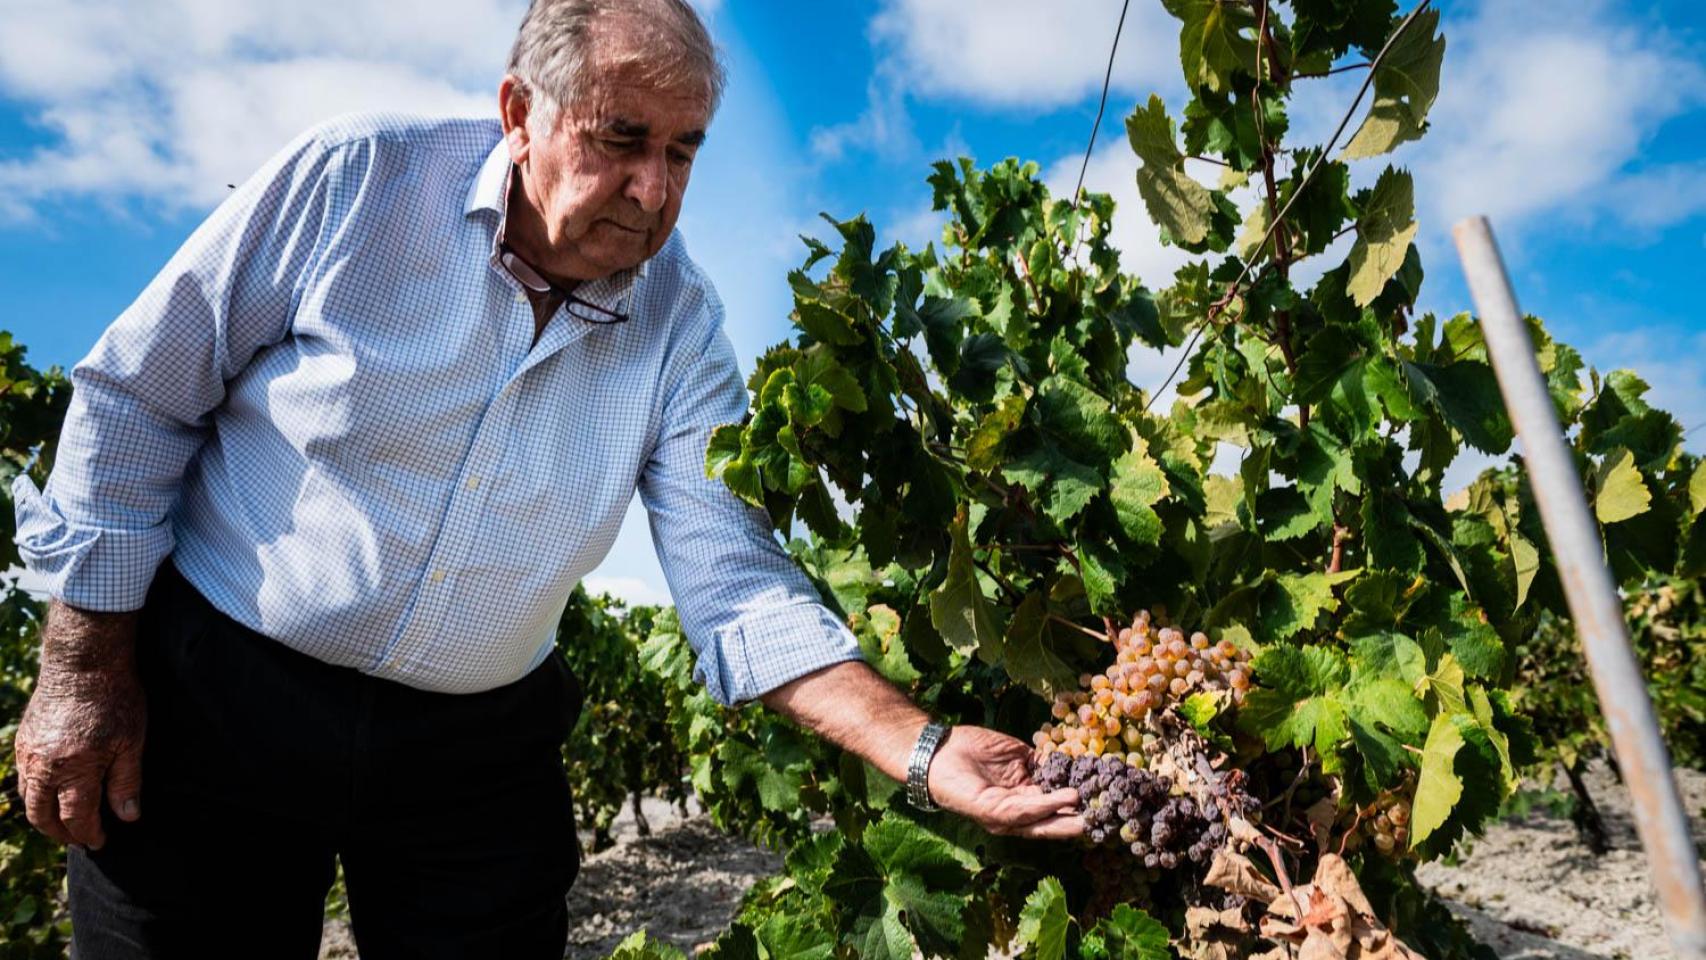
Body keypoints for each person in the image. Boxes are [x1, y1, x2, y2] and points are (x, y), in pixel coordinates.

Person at [9, 0, 1083, 956]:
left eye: (683, 152)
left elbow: (736, 586)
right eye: (622, 139)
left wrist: (921, 749)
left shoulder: (682, 325)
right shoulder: (354, 182)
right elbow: (138, 397)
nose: (654, 189)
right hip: (218, 703)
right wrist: (84, 667)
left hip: (472, 760)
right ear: (520, 112)